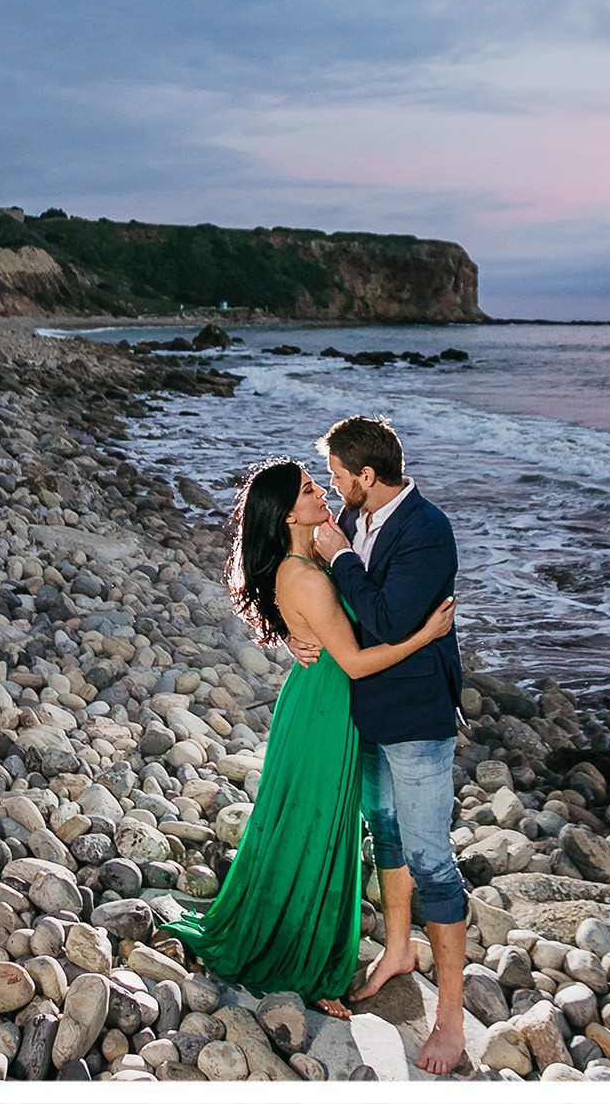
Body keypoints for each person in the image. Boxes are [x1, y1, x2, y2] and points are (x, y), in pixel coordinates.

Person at [160, 458, 456, 1019]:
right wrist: (425, 635)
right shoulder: (308, 574)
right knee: (317, 829)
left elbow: (318, 614)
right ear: (287, 512)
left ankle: (307, 942)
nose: (321, 491)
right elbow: (356, 661)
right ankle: (308, 965)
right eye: (307, 489)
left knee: (310, 825)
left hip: (318, 700)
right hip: (327, 708)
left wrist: (294, 637)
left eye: (317, 482)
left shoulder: (313, 555)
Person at [296, 415, 471, 1076]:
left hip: (417, 717)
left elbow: (390, 619)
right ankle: (399, 951)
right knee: (387, 836)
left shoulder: (428, 530)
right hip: (364, 707)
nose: (335, 487)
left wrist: (339, 556)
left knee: (431, 861)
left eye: (341, 476)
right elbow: (318, 603)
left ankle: (449, 1018)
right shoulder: (356, 517)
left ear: (369, 476)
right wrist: (296, 636)